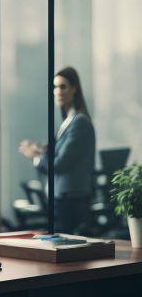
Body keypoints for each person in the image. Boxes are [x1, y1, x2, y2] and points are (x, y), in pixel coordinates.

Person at [19, 67, 95, 234]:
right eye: (55, 87)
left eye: (63, 86)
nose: (57, 91)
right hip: (63, 198)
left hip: (71, 200)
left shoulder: (79, 122)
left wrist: (36, 157)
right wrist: (39, 150)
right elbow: (58, 153)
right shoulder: (68, 121)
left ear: (75, 89)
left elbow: (60, 164)